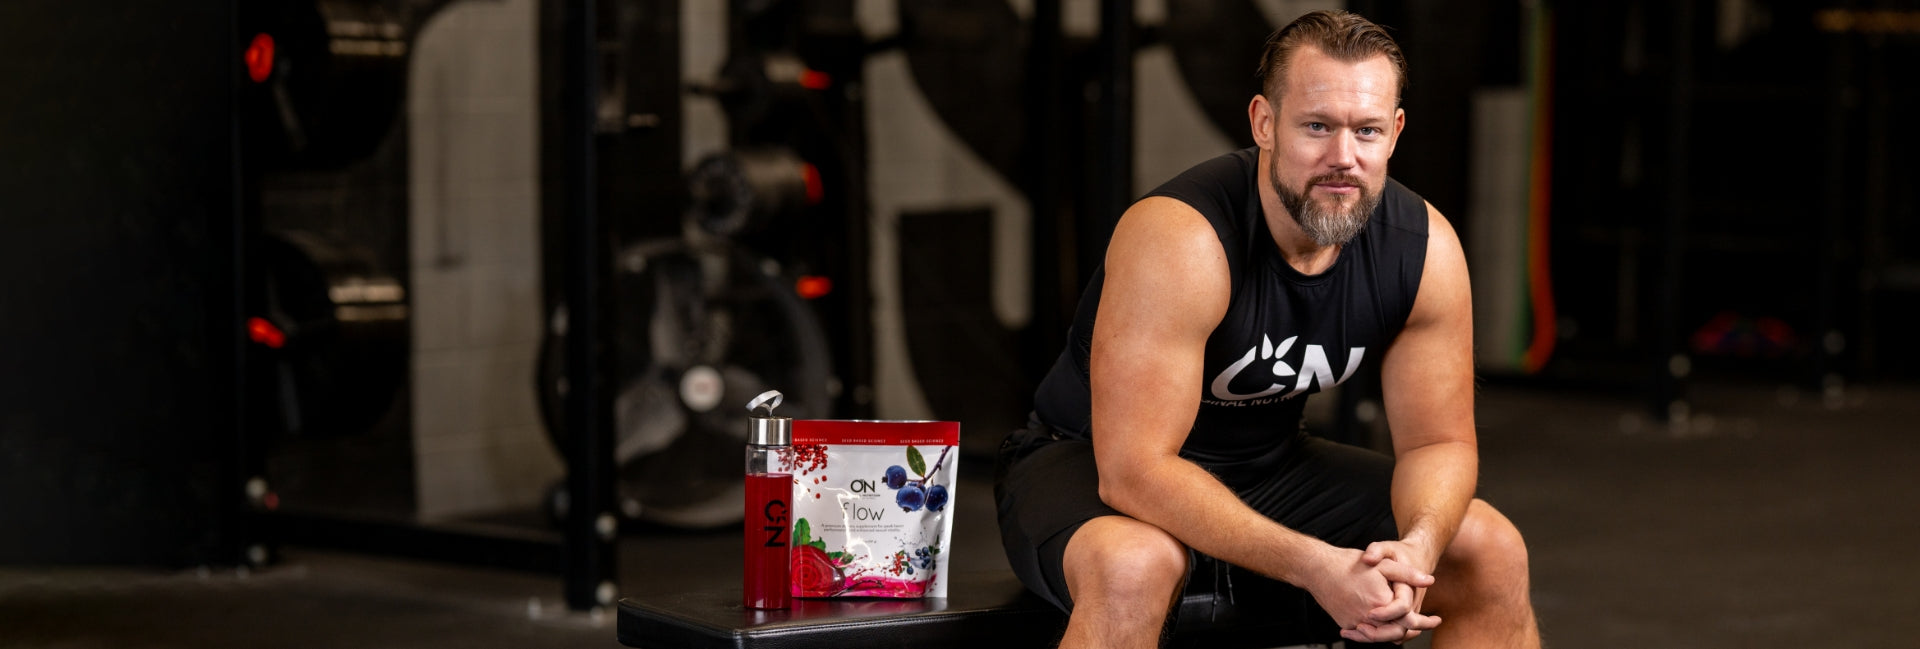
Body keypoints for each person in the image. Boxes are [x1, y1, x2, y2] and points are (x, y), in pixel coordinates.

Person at [994, 9, 1542, 649]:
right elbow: (1133, 470)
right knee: (1133, 567)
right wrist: (1318, 567)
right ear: (1264, 123)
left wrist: (1416, 546)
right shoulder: (1182, 240)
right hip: (1085, 462)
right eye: (1316, 127)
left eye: (1366, 131)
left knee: (1485, 547)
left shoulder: (1423, 249)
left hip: (1268, 466)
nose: (1343, 159)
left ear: (1394, 133)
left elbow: (1438, 445)